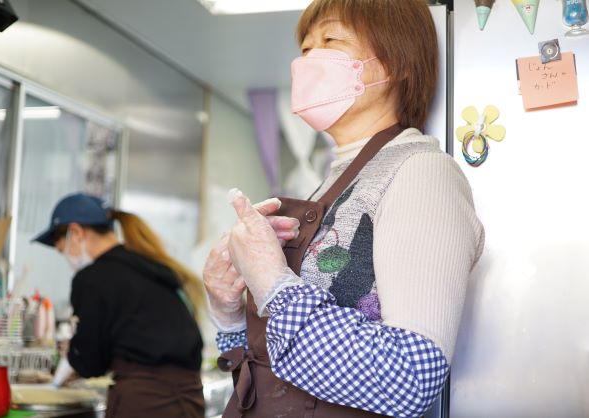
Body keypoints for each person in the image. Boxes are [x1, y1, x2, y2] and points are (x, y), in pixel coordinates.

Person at [203, 1, 485, 417]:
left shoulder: (421, 172)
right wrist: (227, 313)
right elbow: (268, 377)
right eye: (305, 48)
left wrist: (273, 285)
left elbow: (409, 379)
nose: (309, 60)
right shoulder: (332, 183)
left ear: (397, 62)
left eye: (331, 40)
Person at [33, 193, 205, 418]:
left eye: (61, 248)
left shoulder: (92, 278)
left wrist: (74, 354)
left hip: (145, 403)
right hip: (190, 398)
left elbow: (90, 361)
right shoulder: (151, 267)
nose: (65, 256)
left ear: (75, 232)